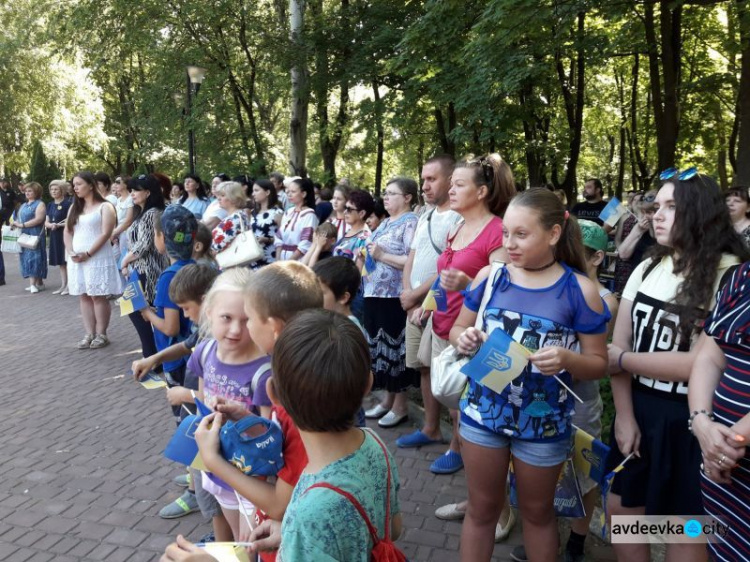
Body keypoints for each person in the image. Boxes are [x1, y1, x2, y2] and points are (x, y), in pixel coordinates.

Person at [450, 188, 609, 562]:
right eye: (506, 233)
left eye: (521, 234)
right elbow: (457, 330)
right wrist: (466, 337)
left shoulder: (580, 290)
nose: (510, 243)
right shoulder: (491, 277)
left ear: (553, 234)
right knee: (482, 510)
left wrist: (568, 359)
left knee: (538, 515)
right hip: (481, 414)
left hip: (543, 426)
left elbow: (599, 363)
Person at [606, 170, 748, 562]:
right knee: (623, 514)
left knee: (686, 531)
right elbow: (618, 345)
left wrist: (625, 360)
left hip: (693, 421)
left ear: (701, 214)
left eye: (672, 207)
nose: (658, 215)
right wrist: (623, 416)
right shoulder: (649, 267)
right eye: (657, 207)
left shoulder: (731, 275)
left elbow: (703, 364)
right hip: (639, 410)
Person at [261, 309, 403, 560]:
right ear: (368, 384)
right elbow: (393, 529)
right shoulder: (374, 444)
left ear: (274, 396)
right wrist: (294, 535)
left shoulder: (308, 513)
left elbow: (321, 519)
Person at [131, 264, 223, 532]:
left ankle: (222, 541)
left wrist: (188, 394)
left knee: (215, 495)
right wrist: (154, 358)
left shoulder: (219, 337)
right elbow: (186, 345)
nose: (184, 315)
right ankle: (218, 537)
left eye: (185, 308)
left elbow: (225, 393)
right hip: (200, 422)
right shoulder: (205, 329)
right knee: (205, 485)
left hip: (210, 424)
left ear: (205, 302)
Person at [397, 155, 461, 451]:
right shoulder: (425, 216)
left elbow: (448, 268)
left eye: (431, 179)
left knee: (446, 372)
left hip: (440, 306)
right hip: (415, 307)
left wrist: (419, 297)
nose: (424, 185)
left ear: (450, 180)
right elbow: (412, 257)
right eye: (423, 179)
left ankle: (458, 446)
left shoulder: (458, 218)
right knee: (424, 367)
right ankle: (431, 428)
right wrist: (408, 296)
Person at [688, 263, 750, 562]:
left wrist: (729, 442)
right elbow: (709, 357)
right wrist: (701, 422)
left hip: (724, 453)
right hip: (722, 470)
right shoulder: (742, 276)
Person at [362, 177, 420, 428]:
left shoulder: (411, 222)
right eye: (385, 193)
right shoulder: (386, 222)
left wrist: (382, 254)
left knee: (394, 350)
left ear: (407, 198)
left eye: (391, 193)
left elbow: (411, 259)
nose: (385, 197)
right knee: (380, 351)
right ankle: (387, 400)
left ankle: (400, 406)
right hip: (374, 292)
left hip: (393, 294)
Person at [142, 205, 198, 419]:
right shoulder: (196, 267)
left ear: (162, 237)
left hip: (177, 358)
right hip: (192, 354)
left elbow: (170, 327)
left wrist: (148, 314)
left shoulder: (169, 277)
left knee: (184, 416)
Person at [64, 171, 123, 349]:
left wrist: (88, 254)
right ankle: (89, 333)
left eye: (79, 184)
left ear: (91, 185)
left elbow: (106, 233)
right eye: (74, 185)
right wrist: (70, 250)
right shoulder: (74, 207)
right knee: (84, 295)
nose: (75, 188)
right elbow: (67, 231)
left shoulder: (105, 207)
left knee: (97, 295)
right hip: (77, 258)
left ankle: (102, 333)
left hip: (96, 257)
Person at [121, 175, 170, 359]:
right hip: (138, 268)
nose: (132, 193)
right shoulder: (141, 213)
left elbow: (144, 245)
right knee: (135, 309)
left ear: (148, 192)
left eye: (136, 190)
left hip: (149, 270)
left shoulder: (152, 213)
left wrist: (125, 261)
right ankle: (151, 352)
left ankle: (152, 354)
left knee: (140, 309)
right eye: (131, 190)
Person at [14, 181, 48, 293]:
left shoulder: (40, 204)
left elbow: (38, 219)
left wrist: (23, 225)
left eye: (30, 191)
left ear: (36, 192)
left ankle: (33, 284)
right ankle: (39, 283)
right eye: (26, 191)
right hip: (24, 234)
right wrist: (15, 224)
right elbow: (19, 218)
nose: (27, 193)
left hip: (35, 233)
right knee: (26, 258)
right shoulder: (23, 205)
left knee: (35, 258)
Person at [275, 177, 319, 261]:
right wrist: (277, 259)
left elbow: (306, 242)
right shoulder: (288, 212)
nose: (289, 194)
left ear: (303, 194)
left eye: (293, 192)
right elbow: (279, 237)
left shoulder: (309, 215)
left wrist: (289, 262)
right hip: (282, 258)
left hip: (298, 260)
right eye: (288, 191)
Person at [615, 190, 656, 275]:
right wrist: (638, 230)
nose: (653, 216)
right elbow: (623, 254)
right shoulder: (639, 226)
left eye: (654, 211)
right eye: (647, 212)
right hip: (637, 274)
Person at [612, 191, 643, 295]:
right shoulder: (624, 217)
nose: (637, 202)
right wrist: (621, 249)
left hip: (638, 258)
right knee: (621, 291)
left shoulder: (647, 219)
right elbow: (617, 238)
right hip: (623, 261)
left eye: (640, 200)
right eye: (635, 200)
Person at [210, 181, 250, 259]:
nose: (218, 198)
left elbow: (218, 247)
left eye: (223, 195)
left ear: (234, 198)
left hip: (230, 264)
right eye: (218, 195)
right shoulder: (236, 216)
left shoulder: (235, 219)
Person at [45, 180, 72, 295]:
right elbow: (46, 221)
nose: (53, 191)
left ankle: (70, 286)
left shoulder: (68, 204)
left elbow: (71, 220)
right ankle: (63, 285)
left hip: (64, 234)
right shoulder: (50, 204)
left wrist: (59, 225)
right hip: (54, 235)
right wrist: (50, 225)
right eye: (52, 189)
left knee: (66, 261)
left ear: (62, 190)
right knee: (60, 262)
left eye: (56, 189)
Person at [250, 179, 283, 269]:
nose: (253, 194)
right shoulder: (252, 213)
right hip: (253, 259)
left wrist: (268, 240)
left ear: (267, 192)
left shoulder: (277, 213)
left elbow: (284, 238)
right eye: (253, 191)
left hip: (270, 259)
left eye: (256, 190)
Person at [110, 176, 134, 272]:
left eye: (118, 182)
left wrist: (114, 232)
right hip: (117, 234)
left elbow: (128, 220)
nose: (115, 184)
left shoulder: (130, 199)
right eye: (115, 182)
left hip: (125, 234)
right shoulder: (119, 200)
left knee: (124, 262)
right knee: (115, 261)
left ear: (126, 184)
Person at [0, 177, 20, 286]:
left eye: (5, 182)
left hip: (8, 217)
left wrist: (15, 213)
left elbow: (16, 203)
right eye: (2, 182)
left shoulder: (11, 192)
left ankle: (1, 278)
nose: (3, 184)